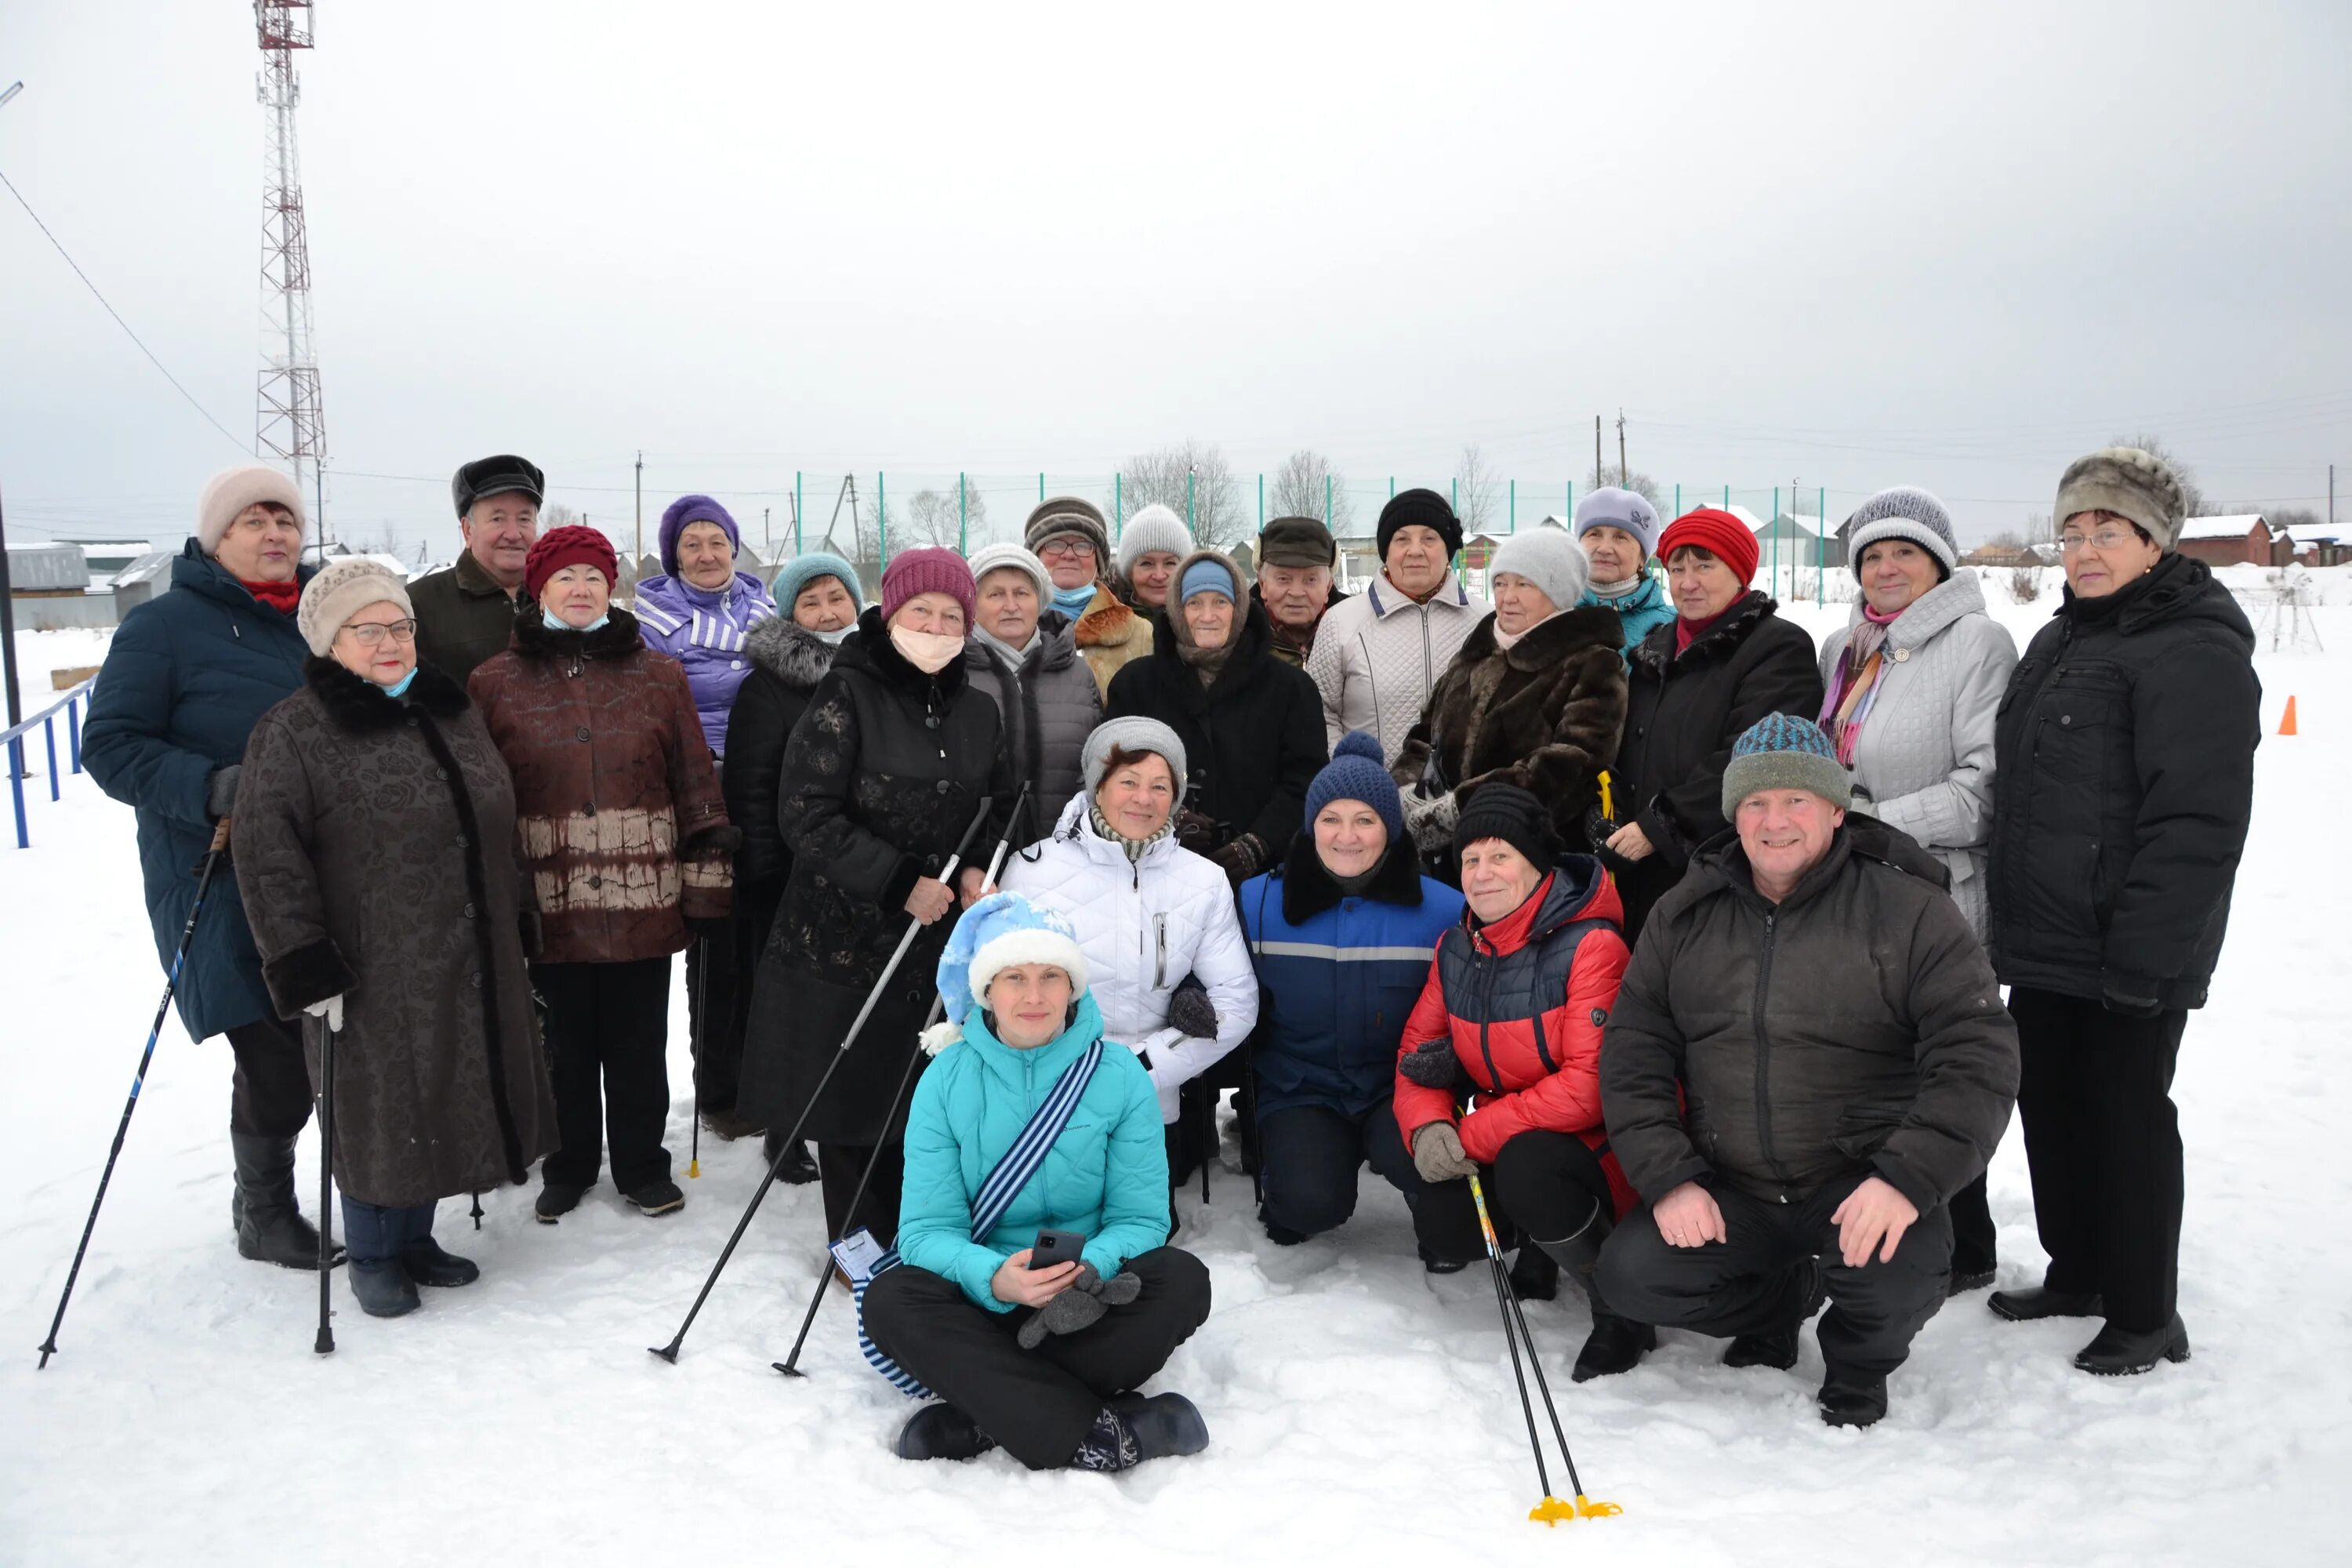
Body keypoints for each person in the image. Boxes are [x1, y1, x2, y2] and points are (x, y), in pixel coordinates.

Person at [1598, 716, 2019, 1428]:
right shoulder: (1685, 914)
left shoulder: (1911, 910)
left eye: (1797, 800)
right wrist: (1670, 1177)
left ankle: (1857, 1360)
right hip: (1733, 1186)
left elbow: (1977, 1053)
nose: (1775, 822)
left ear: (1835, 807)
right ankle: (1780, 1299)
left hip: (1857, 1179)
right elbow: (1634, 1050)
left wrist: (1906, 1180)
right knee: (1631, 1276)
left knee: (1897, 1279)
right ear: (1734, 815)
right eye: (1756, 803)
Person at [1986, 448, 2259, 1376]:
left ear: (2155, 541)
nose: (2085, 549)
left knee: (2127, 1115)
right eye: (2073, 532)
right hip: (2047, 937)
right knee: (2052, 1104)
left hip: (2128, 942)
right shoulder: (2061, 639)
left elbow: (2199, 818)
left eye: (2108, 531)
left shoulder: (2194, 648)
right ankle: (2079, 1272)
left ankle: (2146, 1311)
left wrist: (2148, 953)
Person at [233, 560, 559, 1317]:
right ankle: (374, 1252)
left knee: (446, 1088)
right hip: (365, 960)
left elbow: (494, 819)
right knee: (383, 1104)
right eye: (367, 629)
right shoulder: (294, 729)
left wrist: (513, 910)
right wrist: (302, 959)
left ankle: (415, 1239)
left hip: (465, 944)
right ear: (328, 642)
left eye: (401, 625)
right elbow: (265, 854)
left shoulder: (448, 710)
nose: (390, 641)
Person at [861, 893, 1213, 1472]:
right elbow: (927, 1233)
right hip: (981, 1302)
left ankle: (987, 1411)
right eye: (1014, 977)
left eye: (1052, 975)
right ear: (986, 992)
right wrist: (994, 1279)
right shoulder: (945, 1080)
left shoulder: (1118, 1074)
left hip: (1087, 1303)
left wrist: (1090, 1270)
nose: (1033, 995)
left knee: (1181, 1279)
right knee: (892, 1299)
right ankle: (1107, 1432)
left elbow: (1142, 1220)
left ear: (1072, 986)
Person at [84, 465, 332, 1269]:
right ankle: (263, 1211)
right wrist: (210, 786)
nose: (274, 536)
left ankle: (373, 1189)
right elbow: (112, 745)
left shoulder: (328, 617)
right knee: (275, 1050)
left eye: (285, 521)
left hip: (332, 865)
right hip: (216, 872)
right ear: (215, 538)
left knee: (338, 1039)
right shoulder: (162, 626)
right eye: (253, 522)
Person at [736, 549, 1014, 1248]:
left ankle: (922, 1232)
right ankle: (858, 1243)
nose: (936, 625)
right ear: (890, 614)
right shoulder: (845, 694)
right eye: (922, 610)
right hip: (845, 936)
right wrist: (898, 883)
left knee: (924, 1091)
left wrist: (981, 866)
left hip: (940, 940)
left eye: (952, 615)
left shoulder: (980, 708)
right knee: (853, 1099)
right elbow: (806, 813)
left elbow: (1004, 803)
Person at [470, 524, 736, 1223]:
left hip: (643, 893)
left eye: (594, 576)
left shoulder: (658, 673)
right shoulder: (495, 681)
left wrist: (707, 878)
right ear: (540, 590)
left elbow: (694, 778)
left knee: (638, 1041)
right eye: (567, 579)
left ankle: (643, 1166)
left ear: (611, 586)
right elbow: (483, 794)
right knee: (562, 1042)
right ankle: (569, 1163)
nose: (582, 589)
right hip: (548, 895)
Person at [1818, 487, 2019, 1293]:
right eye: (1872, 554)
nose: (1886, 567)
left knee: (1939, 1068)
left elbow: (1983, 791)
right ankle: (1873, 1230)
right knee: (1865, 1064)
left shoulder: (1977, 643)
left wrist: (1865, 819)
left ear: (1940, 562)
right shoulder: (1843, 645)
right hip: (1848, 891)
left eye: (1904, 551)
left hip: (1937, 896)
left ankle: (1962, 1240)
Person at [1391, 786, 1651, 1380]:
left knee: (1527, 1167)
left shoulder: (1592, 946)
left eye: (1500, 856)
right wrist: (1429, 1125)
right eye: (1470, 859)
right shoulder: (1457, 947)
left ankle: (1619, 1307)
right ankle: (1538, 1245)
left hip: (1599, 1150)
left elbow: (1590, 1087)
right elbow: (1417, 1055)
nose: (1482, 874)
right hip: (1515, 1133)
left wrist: (1475, 1133)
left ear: (1538, 865)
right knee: (1443, 1217)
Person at [1000, 719, 1258, 1187]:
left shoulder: (1203, 881)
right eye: (1129, 782)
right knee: (1055, 1232)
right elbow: (998, 995)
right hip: (1049, 1094)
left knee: (1144, 1238)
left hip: (1149, 1093)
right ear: (1098, 786)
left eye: (1161, 786)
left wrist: (1145, 1066)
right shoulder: (1031, 872)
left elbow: (1235, 1001)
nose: (1144, 798)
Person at [1238, 732, 1465, 1251]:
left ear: (1390, 827)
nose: (1348, 836)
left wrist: (1448, 1061)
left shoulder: (1444, 911)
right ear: (1310, 825)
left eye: (1365, 820)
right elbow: (1219, 981)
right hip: (1301, 1085)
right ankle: (1297, 1178)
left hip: (1402, 1086)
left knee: (1447, 1205)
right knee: (1308, 1205)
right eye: (1331, 819)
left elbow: (1469, 1009)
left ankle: (1431, 1205)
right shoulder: (1258, 901)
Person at [1602, 507, 1824, 941]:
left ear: (1740, 573)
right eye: (1677, 568)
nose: (1687, 582)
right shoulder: (1653, 650)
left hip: (1721, 871)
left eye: (1705, 565)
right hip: (1636, 869)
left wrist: (1662, 825)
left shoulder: (1777, 648)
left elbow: (1754, 757)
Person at [710, 550, 863, 1172]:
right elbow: (750, 787)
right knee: (794, 1013)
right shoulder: (768, 685)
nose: (828, 612)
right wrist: (767, 875)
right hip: (793, 879)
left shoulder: (879, 669)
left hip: (866, 873)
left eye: (837, 597)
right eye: (811, 601)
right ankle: (787, 1128)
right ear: (791, 613)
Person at [1392, 528, 1626, 869]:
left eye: (1524, 584)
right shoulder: (1476, 653)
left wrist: (1458, 810)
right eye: (1500, 583)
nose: (1507, 597)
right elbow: (1424, 736)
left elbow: (1571, 766)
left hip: (1528, 860)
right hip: (1444, 863)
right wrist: (1407, 790)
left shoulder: (1593, 664)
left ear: (1557, 593)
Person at [1105, 551, 1328, 887]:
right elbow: (1111, 773)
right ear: (1177, 611)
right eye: (1194, 603)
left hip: (1264, 881)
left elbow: (1306, 779)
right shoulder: (1135, 685)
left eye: (1220, 602)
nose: (1207, 616)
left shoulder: (1291, 688)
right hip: (1157, 876)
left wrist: (1259, 843)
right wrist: (1166, 818)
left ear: (1238, 609)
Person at [1304, 488, 1487, 757]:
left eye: (1429, 538)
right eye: (1402, 539)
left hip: (1463, 797)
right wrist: (1348, 771)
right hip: (1371, 795)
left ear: (1448, 549)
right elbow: (1320, 711)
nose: (1415, 551)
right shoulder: (1341, 622)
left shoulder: (1485, 621)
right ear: (1385, 551)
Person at [963, 540, 1104, 815]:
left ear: (1040, 602)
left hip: (1064, 846)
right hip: (979, 851)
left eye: (1022, 593)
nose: (1011, 605)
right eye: (996, 595)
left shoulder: (1077, 672)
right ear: (973, 606)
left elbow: (1098, 763)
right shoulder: (954, 672)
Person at [631, 494, 778, 757]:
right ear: (676, 560)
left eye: (717, 543)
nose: (707, 556)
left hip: (768, 765)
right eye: (692, 546)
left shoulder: (769, 611)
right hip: (693, 769)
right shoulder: (652, 627)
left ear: (732, 551)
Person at [410, 455, 544, 687]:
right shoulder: (418, 605)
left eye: (524, 519)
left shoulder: (561, 597)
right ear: (467, 530)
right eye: (497, 519)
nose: (513, 534)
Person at [1025, 497, 1150, 697]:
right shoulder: (1007, 629)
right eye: (1055, 544)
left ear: (1099, 564)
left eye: (1083, 546)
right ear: (1035, 558)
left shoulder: (1141, 634)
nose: (1068, 555)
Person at [1573, 487, 1675, 657]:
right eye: (1594, 534)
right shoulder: (1551, 614)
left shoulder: (1671, 628)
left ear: (1642, 558)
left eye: (1620, 537)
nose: (1605, 548)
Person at [1252, 515, 1349, 667]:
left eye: (1310, 580)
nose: (1297, 593)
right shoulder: (1235, 637)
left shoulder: (1359, 631)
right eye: (1283, 579)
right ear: (1262, 584)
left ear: (1328, 587)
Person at [1111, 503, 1193, 618]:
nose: (1159, 576)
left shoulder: (1204, 623)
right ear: (1130, 572)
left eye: (1170, 563)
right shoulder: (1102, 625)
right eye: (1147, 563)